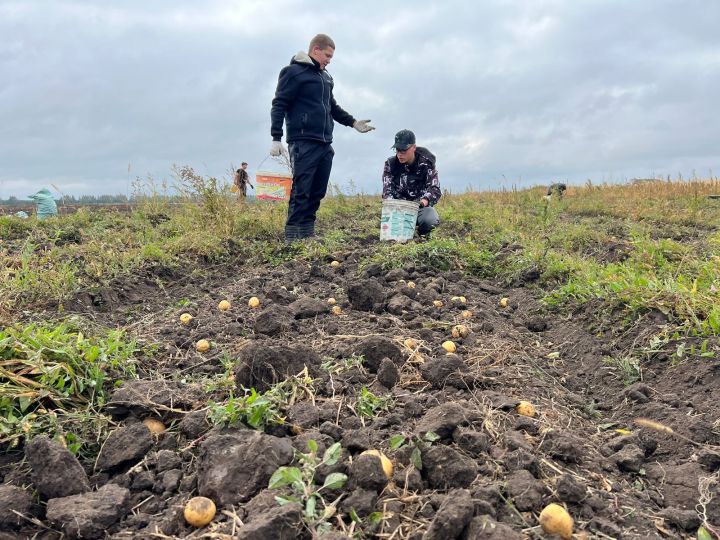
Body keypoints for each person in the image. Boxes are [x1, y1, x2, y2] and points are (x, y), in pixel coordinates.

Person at [270, 33, 375, 241]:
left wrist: (353, 123)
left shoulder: (326, 77)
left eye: (331, 57)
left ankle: (307, 234)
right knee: (302, 190)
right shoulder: (293, 72)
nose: (329, 60)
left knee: (317, 191)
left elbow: (332, 107)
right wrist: (276, 137)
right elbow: (279, 104)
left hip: (325, 142)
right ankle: (293, 237)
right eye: (327, 55)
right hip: (302, 140)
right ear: (315, 49)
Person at [382, 129, 441, 236]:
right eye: (397, 150)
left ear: (413, 147)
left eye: (403, 150)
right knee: (389, 229)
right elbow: (387, 192)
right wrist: (394, 207)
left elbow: (434, 189)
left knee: (430, 220)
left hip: (419, 208)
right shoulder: (390, 164)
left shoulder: (426, 162)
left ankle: (422, 235)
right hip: (398, 210)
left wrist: (423, 202)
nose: (400, 154)